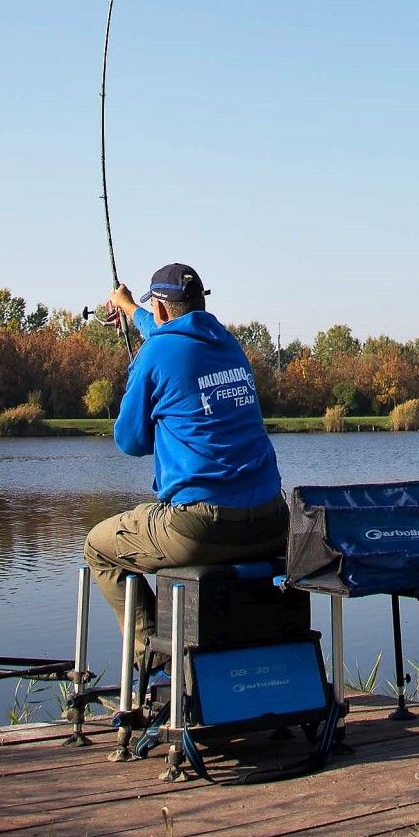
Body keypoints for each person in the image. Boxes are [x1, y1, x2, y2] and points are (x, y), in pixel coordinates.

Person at [83, 262, 288, 654]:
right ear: (200, 302)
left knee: (98, 547)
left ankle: (152, 663)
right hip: (271, 523)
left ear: (160, 309)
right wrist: (129, 309)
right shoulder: (228, 344)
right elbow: (171, 332)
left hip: (200, 529)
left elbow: (129, 441)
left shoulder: (154, 353)